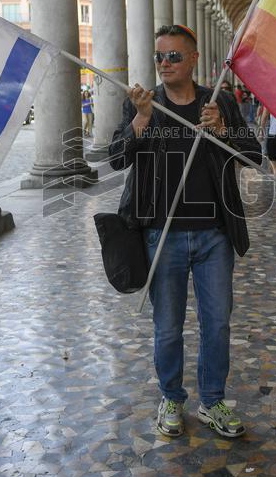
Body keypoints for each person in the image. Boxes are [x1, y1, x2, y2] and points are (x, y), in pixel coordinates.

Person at [109, 24, 262, 438]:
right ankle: (171, 397)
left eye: (174, 56)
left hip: (214, 234)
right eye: (160, 56)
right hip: (163, 233)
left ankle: (213, 402)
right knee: (168, 325)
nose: (165, 63)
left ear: (194, 60)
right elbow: (116, 158)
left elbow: (253, 155)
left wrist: (223, 132)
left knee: (218, 323)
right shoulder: (145, 104)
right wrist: (141, 120)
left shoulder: (220, 102)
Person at [258, 107, 276, 200]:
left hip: (274, 134)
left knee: (273, 161)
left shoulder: (271, 100)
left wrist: (261, 132)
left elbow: (264, 117)